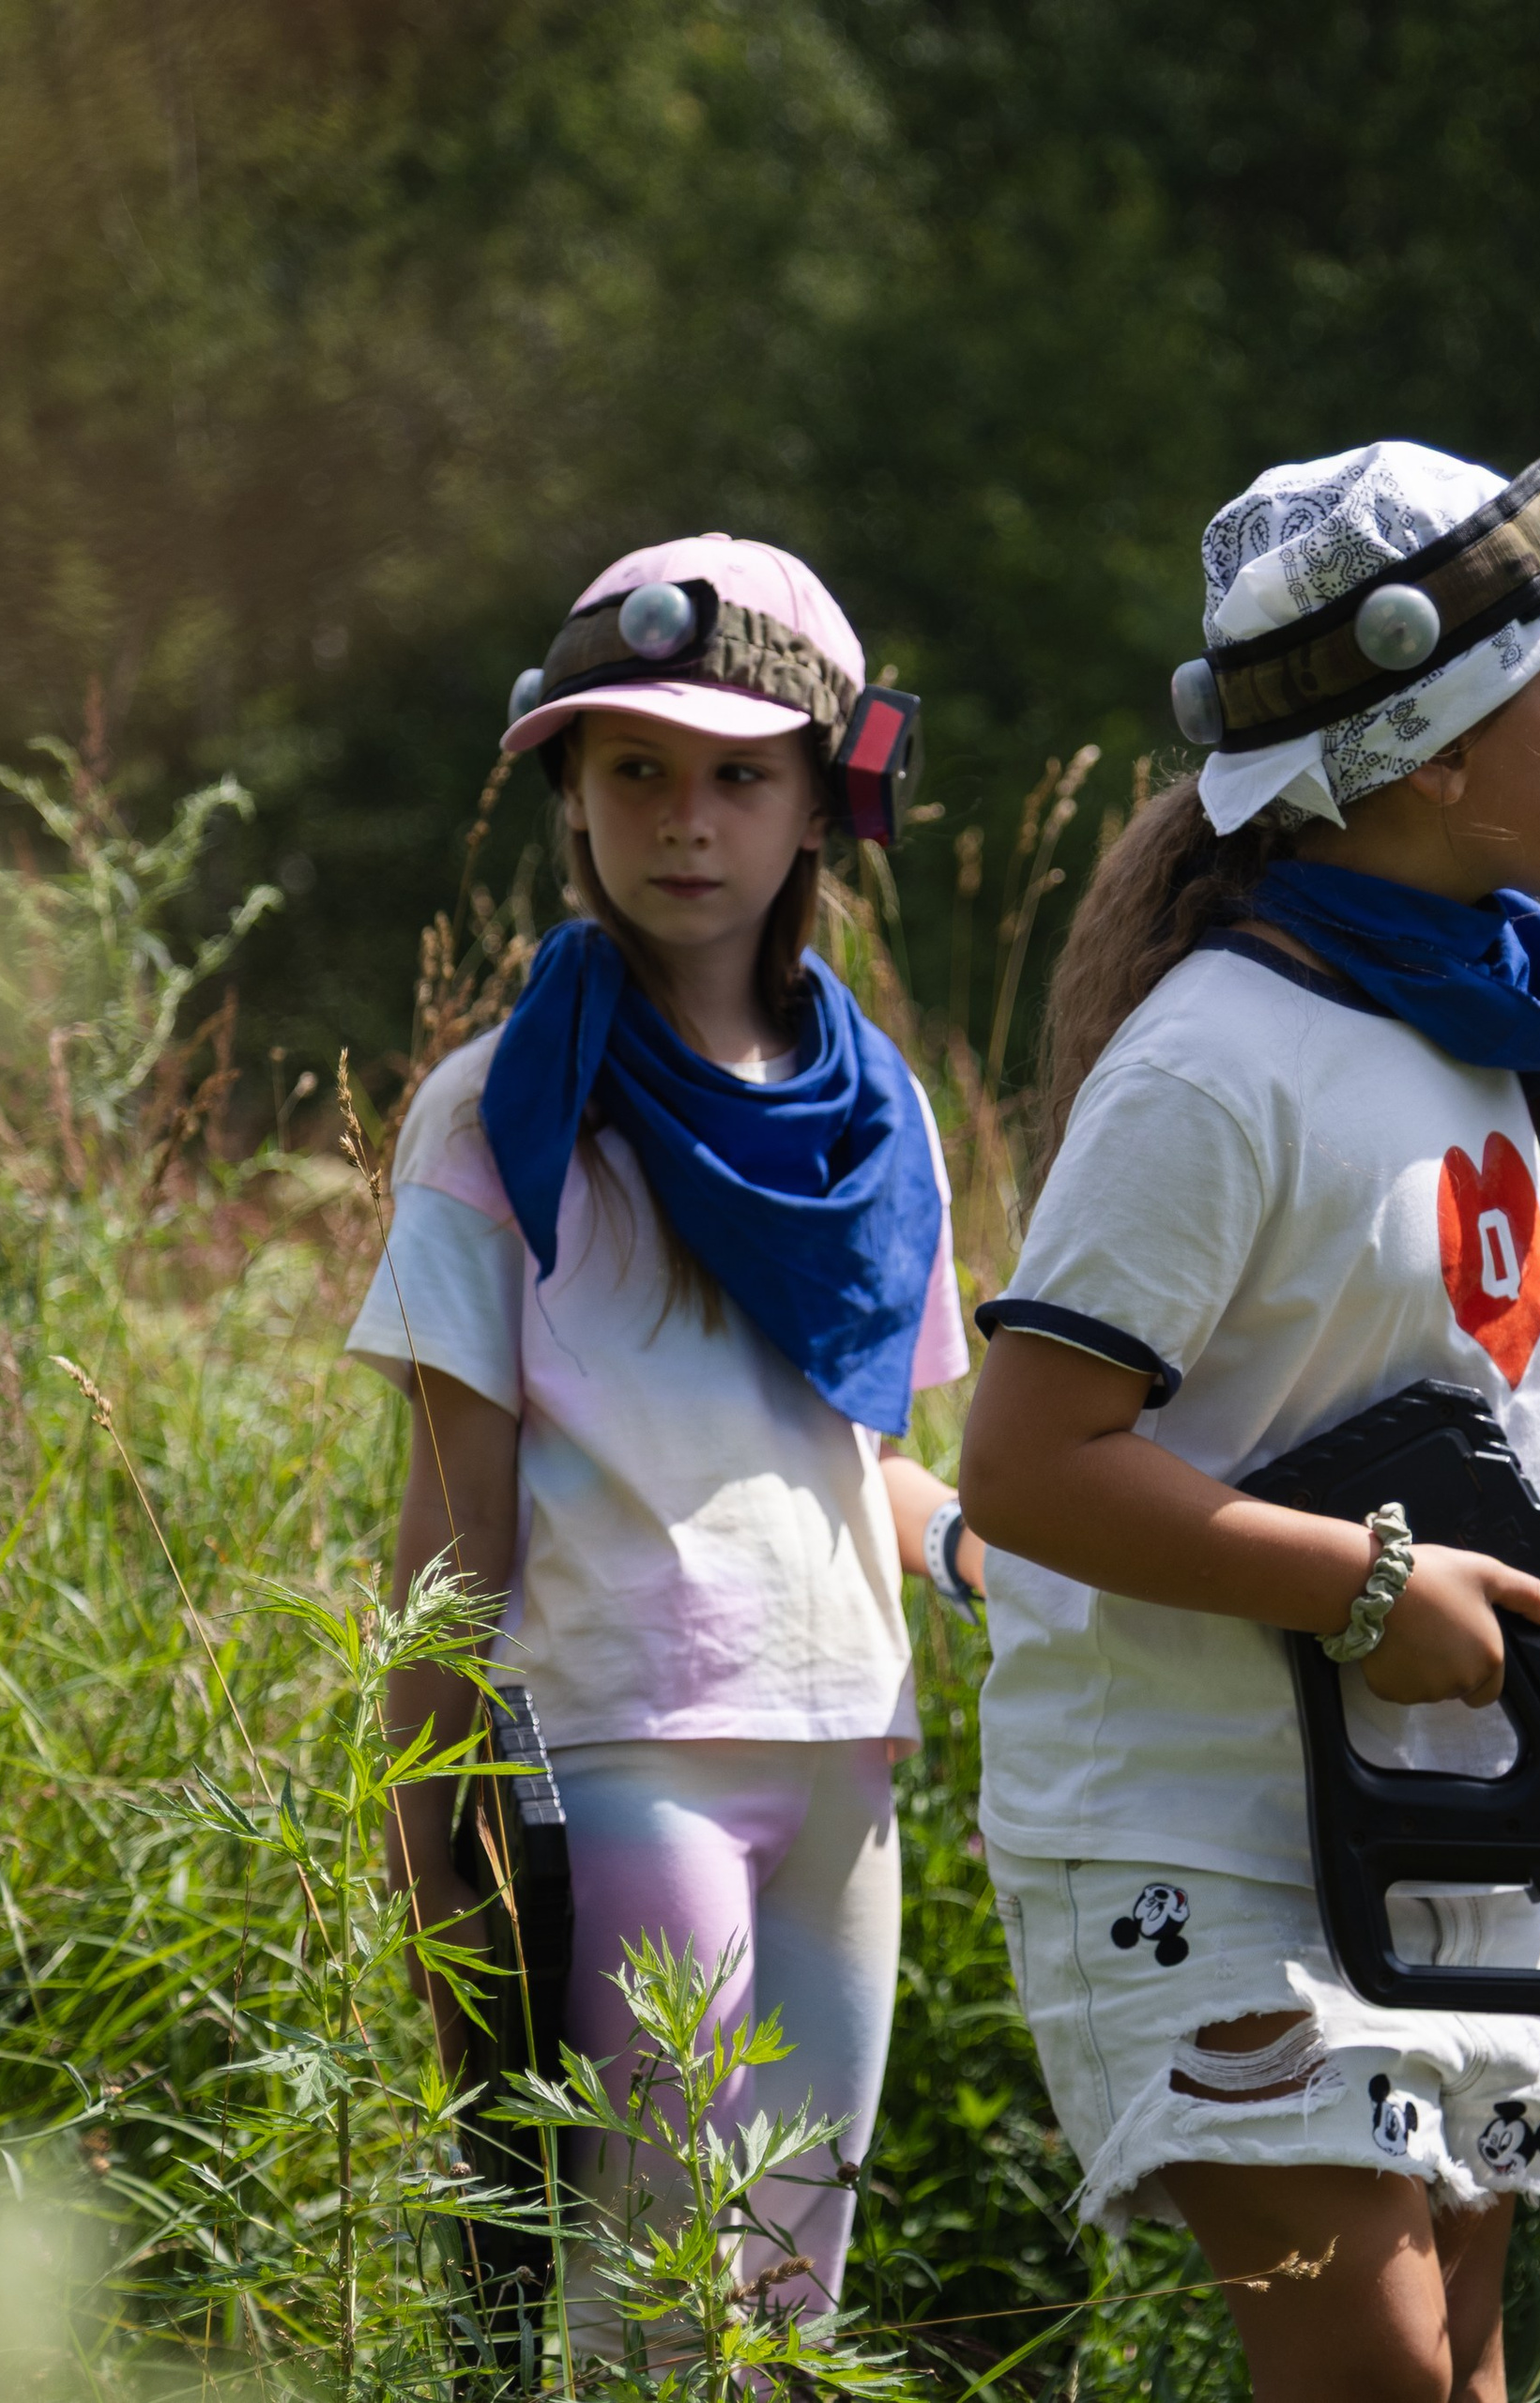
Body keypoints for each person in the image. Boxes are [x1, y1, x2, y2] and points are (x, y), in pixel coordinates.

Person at [957, 442, 1540, 2403]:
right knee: (1378, 2378)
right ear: (1438, 749)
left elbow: (1386, 1304)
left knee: (1464, 2365)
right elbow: (1024, 1465)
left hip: (1438, 1810)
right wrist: (1361, 1585)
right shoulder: (1213, 1065)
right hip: (1205, 1831)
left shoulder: (1447, 1015)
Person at [347, 533, 983, 2332]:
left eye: (738, 777)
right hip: (622, 1756)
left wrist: (979, 1547)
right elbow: (454, 1512)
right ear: (568, 788)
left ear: (825, 800)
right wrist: (428, 1827)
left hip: (849, 1755)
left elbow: (872, 1459)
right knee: (650, 2313)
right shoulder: (496, 1111)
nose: (684, 822)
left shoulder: (883, 1120)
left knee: (787, 2313)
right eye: (635, 769)